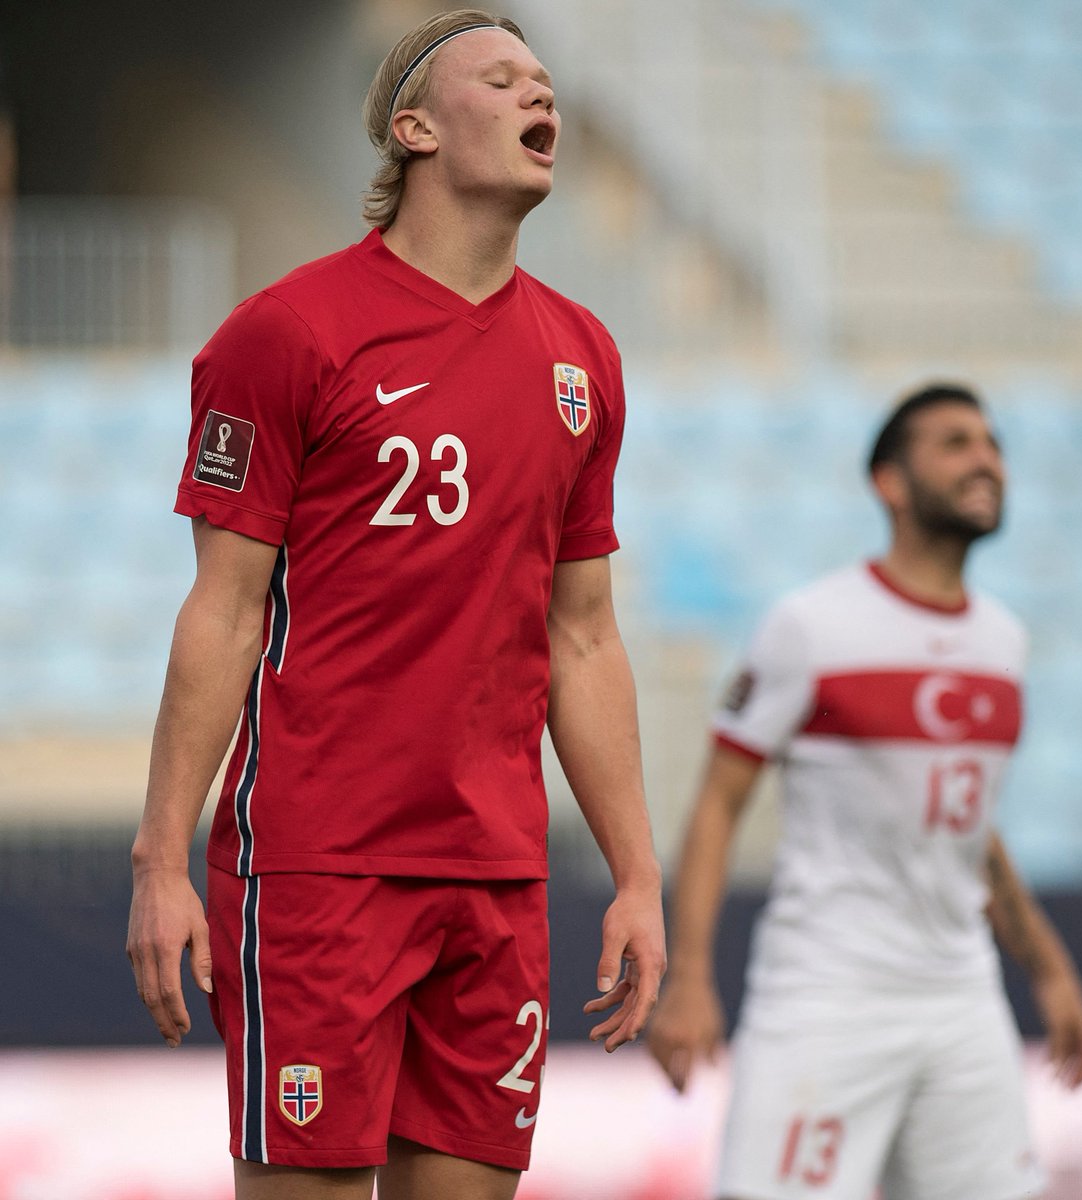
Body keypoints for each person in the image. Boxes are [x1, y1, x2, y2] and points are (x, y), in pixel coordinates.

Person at [125, 11, 665, 1200]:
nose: (545, 99)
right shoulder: (287, 334)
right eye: (505, 78)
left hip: (496, 873)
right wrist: (162, 855)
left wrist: (636, 874)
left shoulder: (585, 359)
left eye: (548, 84)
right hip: (321, 868)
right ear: (414, 129)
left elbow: (583, 634)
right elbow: (222, 613)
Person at [646, 384, 1082, 1200]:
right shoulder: (810, 626)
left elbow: (965, 824)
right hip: (828, 994)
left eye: (992, 444)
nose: (985, 460)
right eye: (955, 443)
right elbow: (717, 803)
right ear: (889, 482)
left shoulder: (1003, 641)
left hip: (961, 997)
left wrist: (1049, 967)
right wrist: (689, 978)